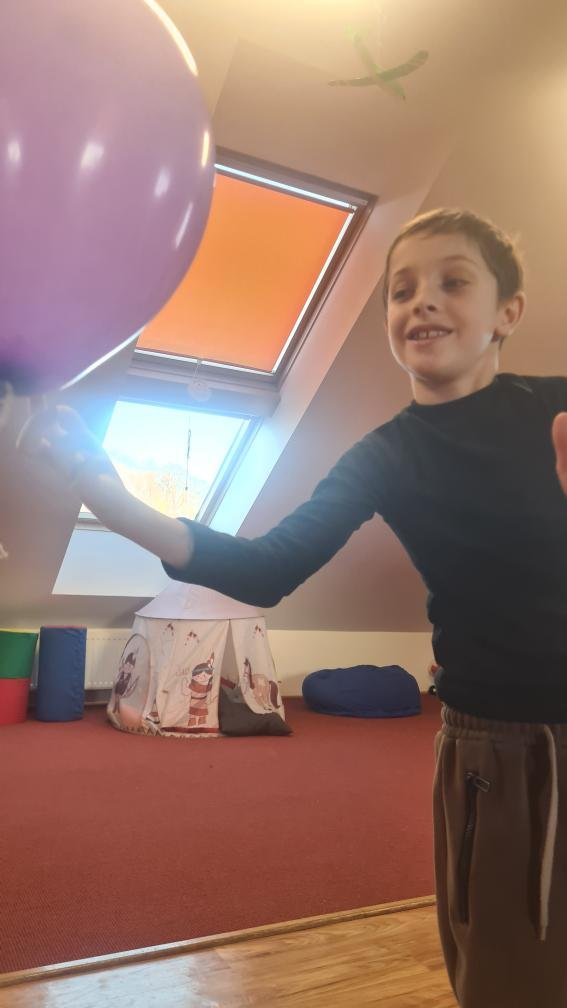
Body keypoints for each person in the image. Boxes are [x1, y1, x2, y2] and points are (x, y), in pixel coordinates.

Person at [20, 208, 567, 1008]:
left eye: (452, 281)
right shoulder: (385, 456)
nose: (420, 301)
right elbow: (266, 568)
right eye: (401, 290)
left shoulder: (556, 408)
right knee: (513, 982)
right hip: (506, 752)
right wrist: (112, 500)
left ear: (506, 313)